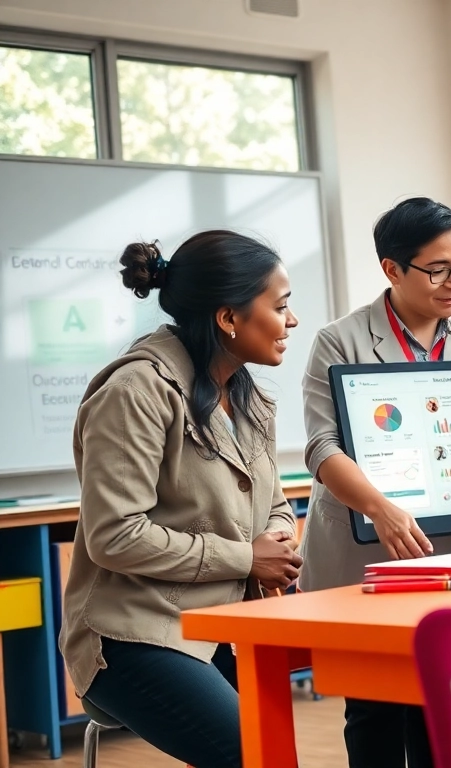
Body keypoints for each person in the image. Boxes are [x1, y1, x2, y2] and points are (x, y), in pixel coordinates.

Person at [60, 232, 303, 768]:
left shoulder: (250, 396)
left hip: (220, 625)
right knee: (259, 758)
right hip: (129, 635)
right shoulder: (136, 391)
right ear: (228, 317)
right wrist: (246, 557)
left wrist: (279, 539)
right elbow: (114, 536)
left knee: (278, 754)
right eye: (281, 306)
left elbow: (275, 503)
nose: (292, 321)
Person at [297, 197, 451, 768]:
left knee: (442, 707)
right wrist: (381, 508)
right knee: (375, 707)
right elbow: (322, 446)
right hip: (369, 545)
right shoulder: (339, 340)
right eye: (437, 269)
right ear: (392, 269)